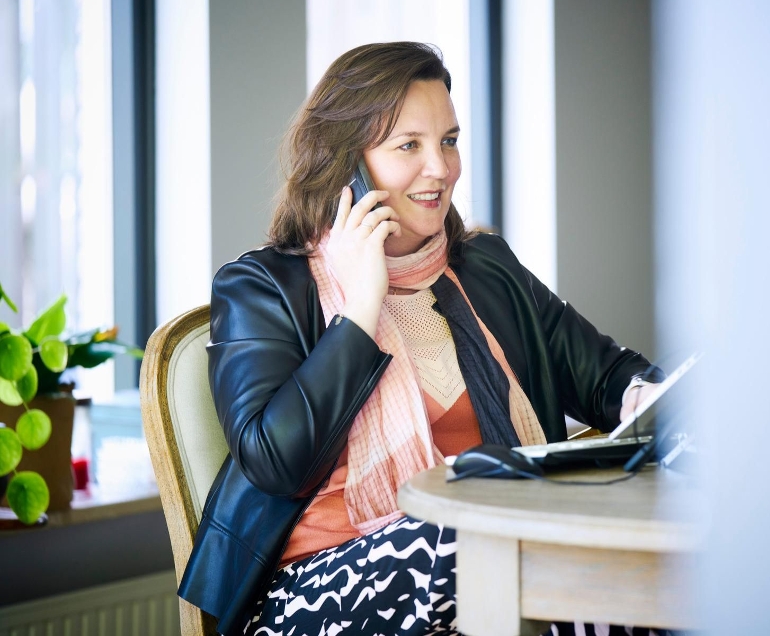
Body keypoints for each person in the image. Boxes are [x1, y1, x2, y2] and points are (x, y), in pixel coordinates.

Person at [178, 42, 665, 636]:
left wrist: (643, 398)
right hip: (311, 590)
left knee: (633, 584)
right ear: (347, 165)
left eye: (449, 141)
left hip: (486, 561)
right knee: (491, 541)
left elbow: (608, 375)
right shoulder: (261, 286)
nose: (441, 168)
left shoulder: (487, 270)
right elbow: (275, 463)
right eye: (408, 145)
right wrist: (361, 308)